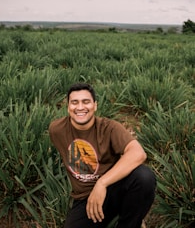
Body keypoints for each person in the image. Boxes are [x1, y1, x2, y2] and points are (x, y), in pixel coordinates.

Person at [49, 83, 156, 228]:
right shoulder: (57, 130)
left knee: (143, 176)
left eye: (86, 102)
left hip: (113, 188)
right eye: (75, 102)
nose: (80, 107)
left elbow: (138, 153)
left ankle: (131, 223)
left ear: (95, 105)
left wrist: (102, 183)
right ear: (68, 107)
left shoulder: (109, 128)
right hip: (84, 198)